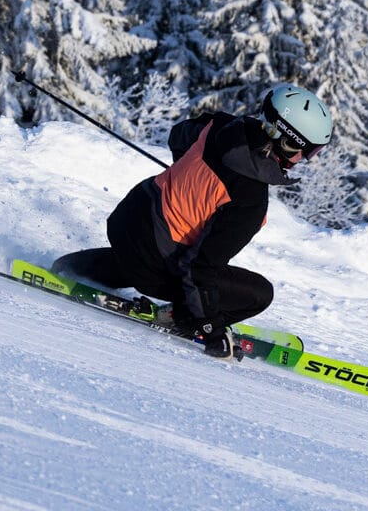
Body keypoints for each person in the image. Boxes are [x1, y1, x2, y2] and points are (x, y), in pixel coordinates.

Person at [55, 83, 333, 358]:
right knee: (259, 294)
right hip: (153, 263)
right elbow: (200, 269)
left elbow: (178, 136)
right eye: (305, 151)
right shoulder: (250, 200)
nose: (302, 159)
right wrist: (211, 330)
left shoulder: (219, 125)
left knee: (153, 248)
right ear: (285, 140)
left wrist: (191, 180)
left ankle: (70, 268)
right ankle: (180, 317)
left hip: (127, 220)